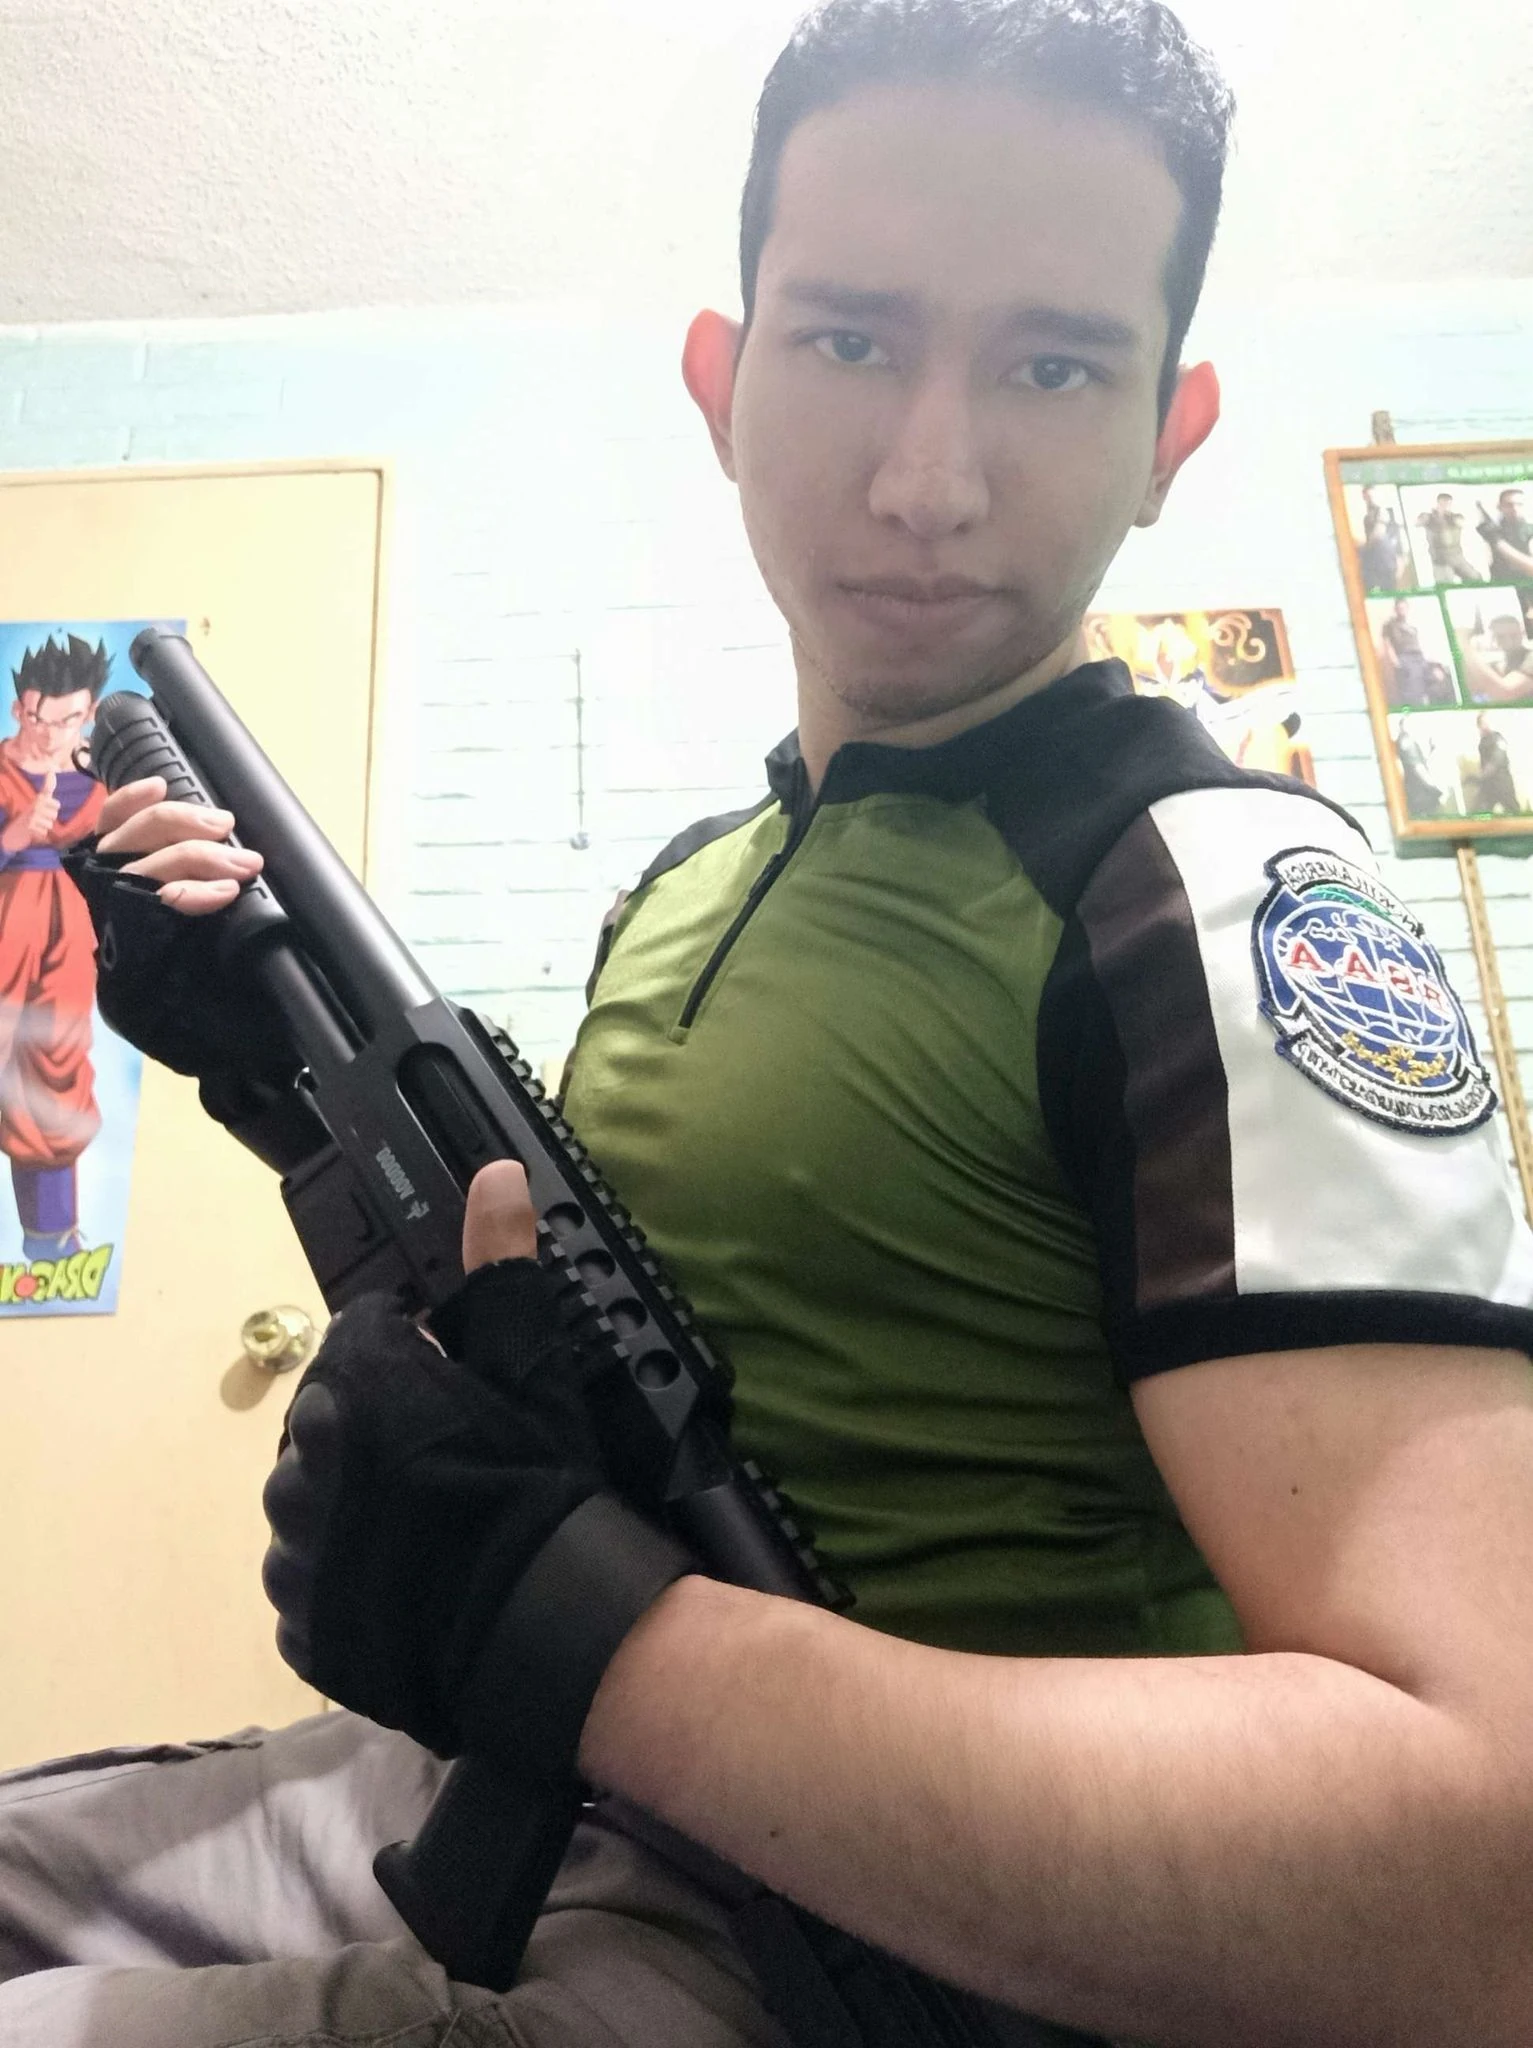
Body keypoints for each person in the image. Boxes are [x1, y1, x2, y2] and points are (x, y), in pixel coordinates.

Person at [5, 4, 1533, 2046]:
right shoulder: (686, 893)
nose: (927, 478)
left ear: (1169, 435)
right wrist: (273, 1076)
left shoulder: (1212, 885)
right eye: (849, 339)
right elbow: (567, 1360)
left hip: (888, 1957)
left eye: (1052, 365)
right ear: (722, 388)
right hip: (531, 1796)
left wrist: (591, 1637)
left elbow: (1481, 1873)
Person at [0, 634, 109, 1260]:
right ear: (20, 709)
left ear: (87, 715)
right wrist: (12, 837)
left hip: (67, 944)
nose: (52, 734)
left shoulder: (97, 784)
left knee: (54, 1080)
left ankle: (49, 1242)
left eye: (69, 720)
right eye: (41, 719)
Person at [1378, 596, 1455, 705]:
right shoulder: (1390, 625)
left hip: (1420, 658)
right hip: (1405, 658)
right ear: (1395, 609)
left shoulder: (1411, 627)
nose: (1402, 610)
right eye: (1399, 608)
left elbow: (1419, 645)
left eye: (1404, 608)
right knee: (1413, 691)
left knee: (1441, 677)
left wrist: (1430, 661)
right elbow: (1387, 644)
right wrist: (1395, 661)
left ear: (1408, 609)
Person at [1463, 612, 1533, 705]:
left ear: (1522, 633)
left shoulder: (1530, 658)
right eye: (1501, 637)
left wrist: (1463, 643)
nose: (1508, 641)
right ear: (1493, 638)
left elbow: (1506, 693)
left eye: (1513, 635)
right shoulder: (1495, 665)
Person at [1477, 487, 1533, 582]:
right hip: (1501, 585)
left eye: (1519, 504)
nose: (1515, 509)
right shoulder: (1492, 530)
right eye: (1509, 505)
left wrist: (1497, 542)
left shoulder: (1530, 531)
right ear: (1499, 507)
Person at [1474, 712, 1522, 815]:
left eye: (1487, 722)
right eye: (1483, 723)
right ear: (1479, 726)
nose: (1486, 725)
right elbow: (1483, 764)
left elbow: (1497, 758)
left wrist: (1485, 773)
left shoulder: (1497, 738)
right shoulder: (1482, 743)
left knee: (1514, 811)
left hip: (1502, 782)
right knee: (1480, 812)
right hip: (1488, 784)